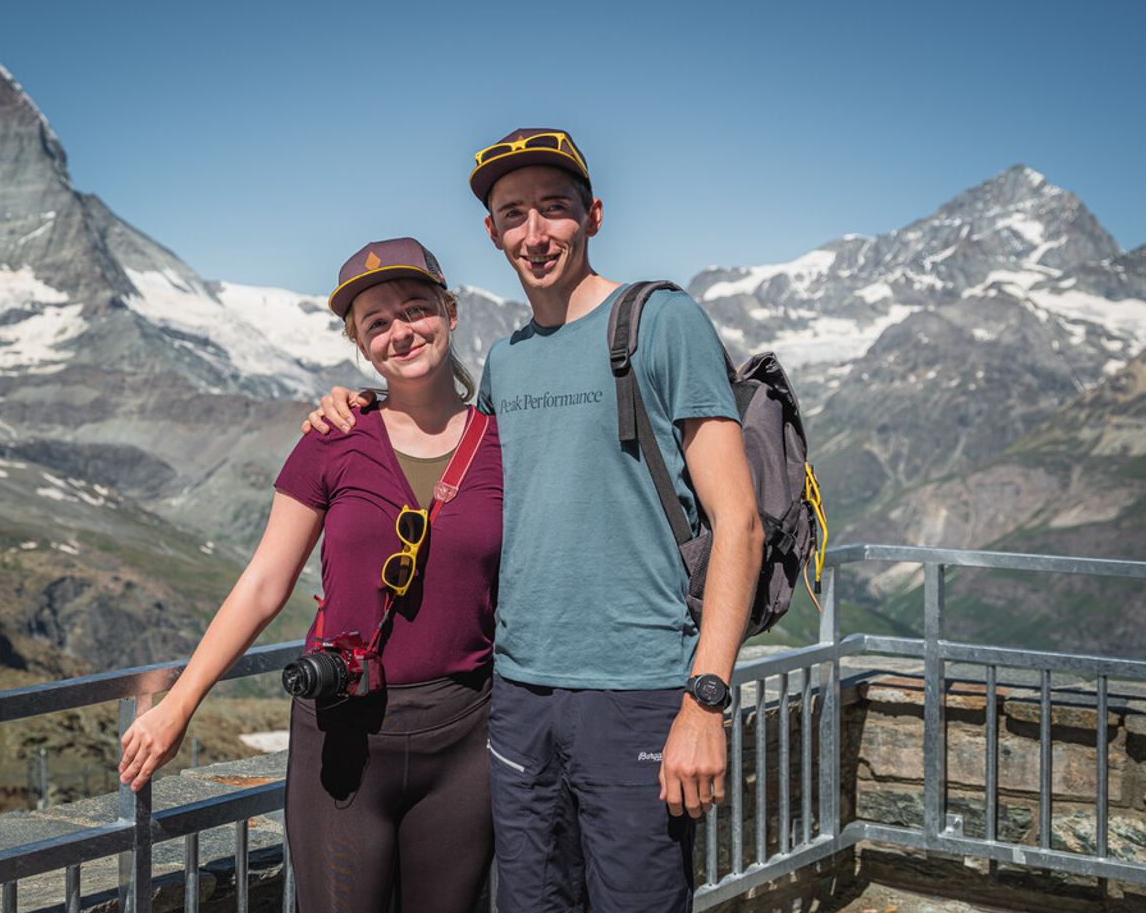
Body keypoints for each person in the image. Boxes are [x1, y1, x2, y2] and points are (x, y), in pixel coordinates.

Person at [308, 131, 762, 913]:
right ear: (492, 233)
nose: (535, 231)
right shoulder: (506, 365)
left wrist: (706, 700)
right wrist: (354, 407)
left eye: (554, 209)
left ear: (592, 215)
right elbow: (448, 456)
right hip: (517, 694)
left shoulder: (659, 322)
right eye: (513, 214)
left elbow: (741, 523)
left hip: (638, 687)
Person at [119, 237, 502, 913]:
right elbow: (265, 583)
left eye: (416, 310)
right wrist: (180, 703)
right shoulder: (332, 437)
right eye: (376, 323)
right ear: (358, 343)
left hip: (468, 734)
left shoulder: (504, 445)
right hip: (343, 733)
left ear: (450, 311)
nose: (400, 333)